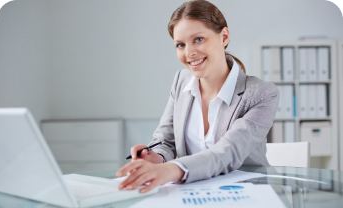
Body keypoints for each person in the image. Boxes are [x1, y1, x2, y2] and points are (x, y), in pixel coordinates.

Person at [116, 0, 279, 193]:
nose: (189, 53)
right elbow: (165, 140)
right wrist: (157, 157)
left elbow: (228, 152)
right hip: (193, 194)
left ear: (224, 37)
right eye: (180, 45)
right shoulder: (181, 81)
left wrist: (171, 169)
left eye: (198, 39)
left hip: (247, 195)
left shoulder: (262, 94)